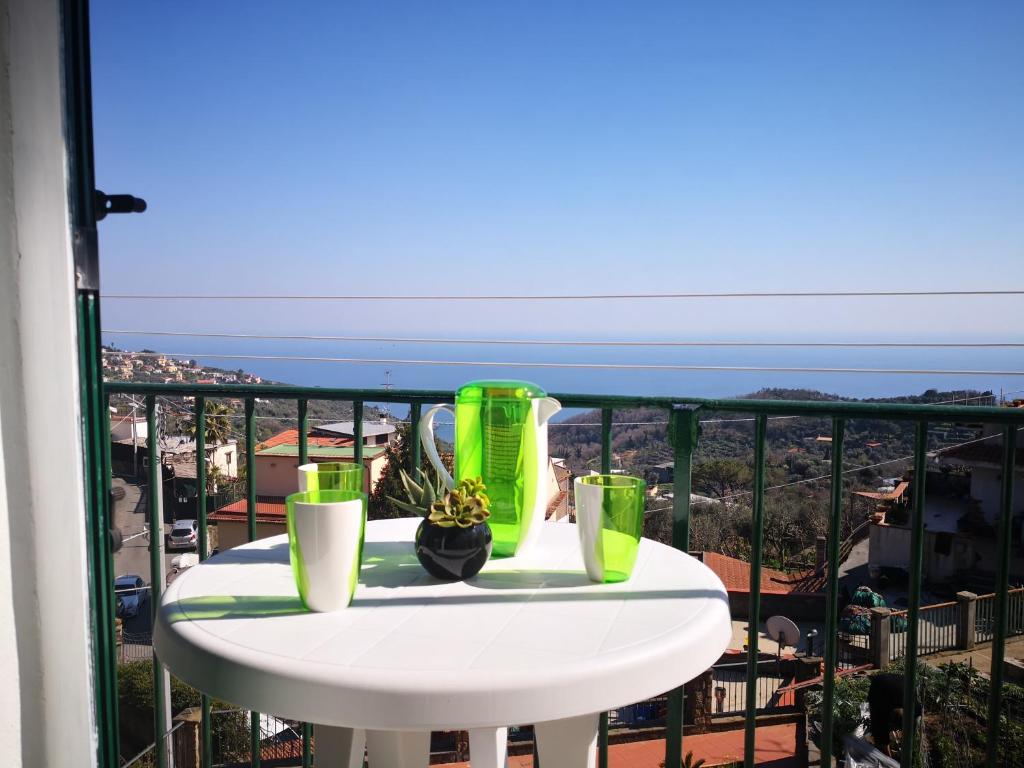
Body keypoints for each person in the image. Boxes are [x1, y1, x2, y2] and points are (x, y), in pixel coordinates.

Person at [868, 673, 921, 756]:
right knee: (878, 729)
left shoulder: (914, 708)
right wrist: (889, 758)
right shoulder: (880, 708)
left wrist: (905, 749)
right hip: (878, 684)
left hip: (900, 681)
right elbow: (881, 740)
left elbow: (911, 731)